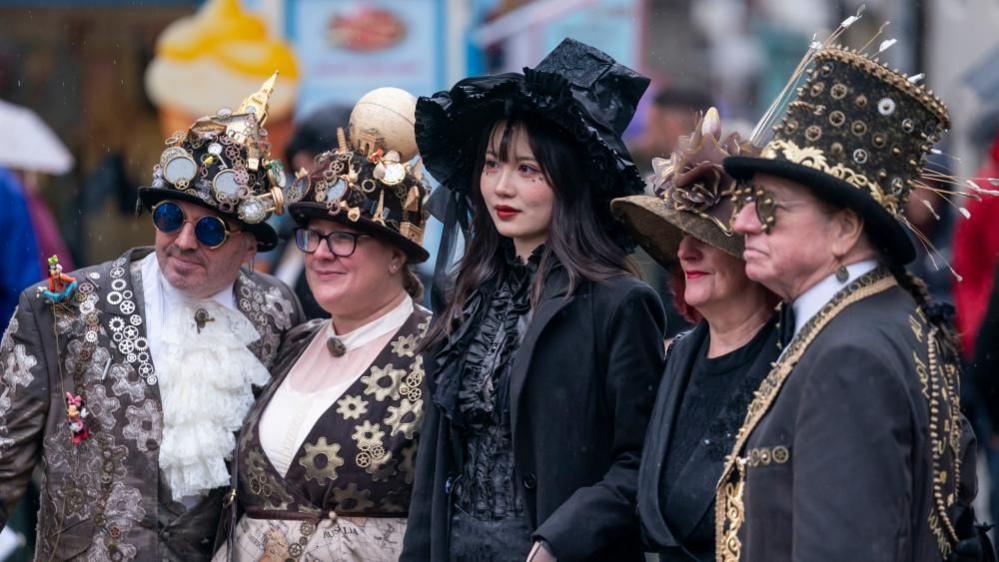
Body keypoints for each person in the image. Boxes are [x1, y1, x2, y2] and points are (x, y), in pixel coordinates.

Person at [0, 76, 304, 560]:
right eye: (168, 217)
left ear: (250, 246)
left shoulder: (276, 312)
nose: (183, 240)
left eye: (210, 229)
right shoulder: (61, 308)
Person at [716, 39, 987, 561]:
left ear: (843, 230)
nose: (742, 221)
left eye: (770, 207)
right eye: (747, 202)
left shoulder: (850, 357)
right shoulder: (880, 315)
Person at [401, 38, 666, 562]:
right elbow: (434, 467)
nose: (502, 187)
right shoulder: (465, 293)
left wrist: (559, 538)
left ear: (569, 181)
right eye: (493, 164)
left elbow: (641, 460)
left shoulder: (617, 303)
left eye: (527, 170)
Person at [216, 88, 432, 562]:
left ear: (397, 254)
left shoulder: (438, 349)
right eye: (313, 236)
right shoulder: (291, 343)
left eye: (344, 237)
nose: (320, 252)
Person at [611, 107, 780, 561]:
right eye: (679, 234)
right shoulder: (677, 359)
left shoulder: (795, 363)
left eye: (707, 236)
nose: (685, 250)